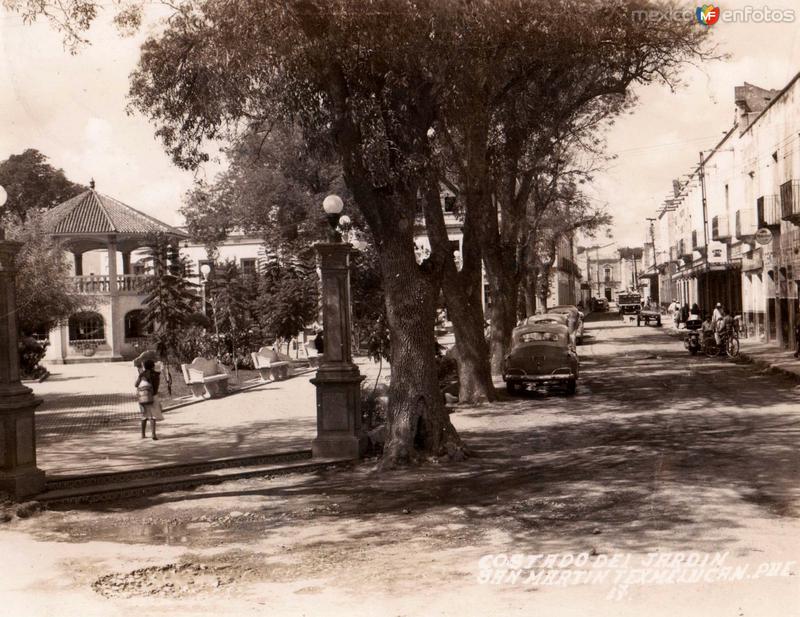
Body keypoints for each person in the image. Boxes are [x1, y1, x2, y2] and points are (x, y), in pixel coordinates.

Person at [135, 359, 163, 440]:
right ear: (153, 366)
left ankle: (143, 434)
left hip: (143, 397)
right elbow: (156, 386)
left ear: (145, 366)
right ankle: (153, 434)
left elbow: (136, 384)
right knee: (153, 416)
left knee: (144, 415)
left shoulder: (142, 374)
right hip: (153, 396)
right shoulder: (156, 374)